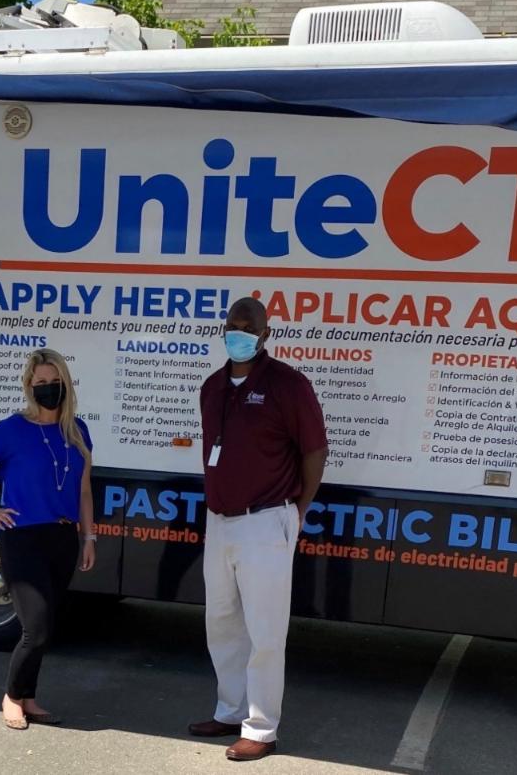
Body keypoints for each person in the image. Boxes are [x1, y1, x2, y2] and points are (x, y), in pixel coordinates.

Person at [188, 296, 328, 761]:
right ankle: (230, 711)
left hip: (266, 520)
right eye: (233, 325)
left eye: (249, 328)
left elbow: (315, 450)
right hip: (220, 521)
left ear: (266, 334)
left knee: (265, 631)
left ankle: (262, 728)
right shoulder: (212, 387)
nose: (239, 334)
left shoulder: (288, 384)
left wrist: (298, 510)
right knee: (222, 623)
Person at [0, 348, 95, 731]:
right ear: (29, 385)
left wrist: (89, 536)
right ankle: (11, 696)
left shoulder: (77, 432)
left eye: (55, 381)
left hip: (62, 537)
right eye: (41, 382)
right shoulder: (11, 429)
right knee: (35, 627)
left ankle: (29, 697)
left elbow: (84, 490)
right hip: (22, 537)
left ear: (66, 384)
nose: (48, 388)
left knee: (47, 625)